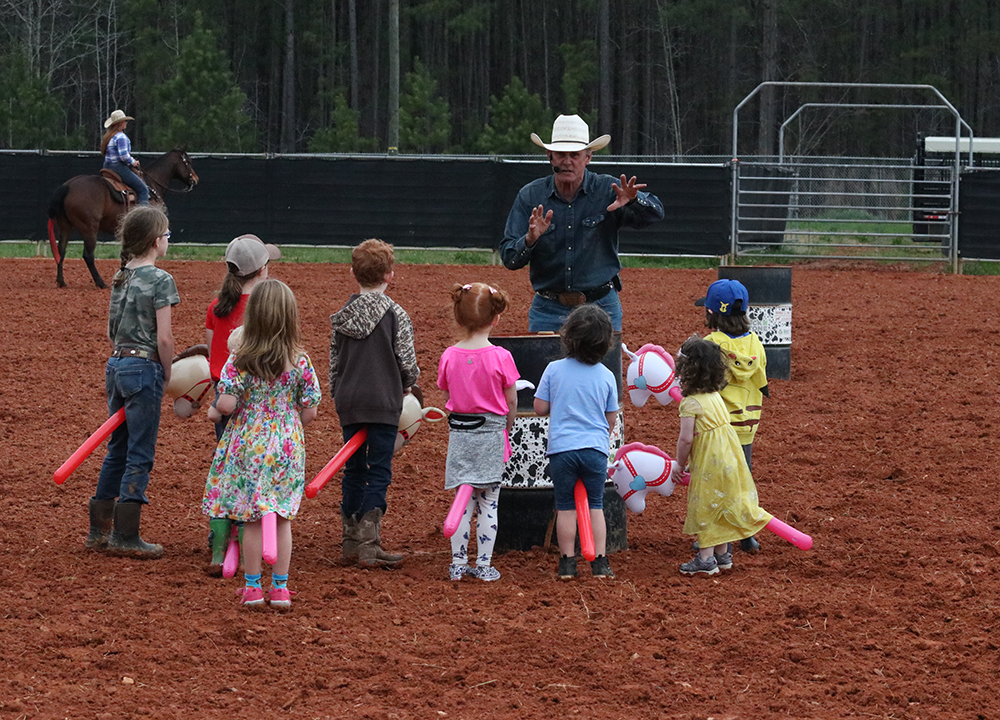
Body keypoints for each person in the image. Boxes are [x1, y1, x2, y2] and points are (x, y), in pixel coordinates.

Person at [203, 279, 321, 609]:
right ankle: (280, 588)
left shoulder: (239, 360)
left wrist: (219, 408)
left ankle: (253, 587)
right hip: (286, 444)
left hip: (247, 443)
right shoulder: (301, 361)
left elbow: (225, 405)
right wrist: (288, 421)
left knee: (252, 518)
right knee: (281, 517)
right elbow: (310, 410)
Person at [499, 114, 665, 332]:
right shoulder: (530, 196)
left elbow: (656, 214)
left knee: (604, 366)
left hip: (601, 306)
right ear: (550, 156)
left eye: (574, 155)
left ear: (588, 157)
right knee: (544, 366)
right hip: (548, 308)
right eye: (561, 154)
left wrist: (634, 200)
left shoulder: (609, 190)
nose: (567, 161)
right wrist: (529, 240)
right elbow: (510, 258)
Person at [86, 206, 177, 559]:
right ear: (157, 241)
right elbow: (165, 338)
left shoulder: (121, 275)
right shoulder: (160, 280)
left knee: (117, 449)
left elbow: (112, 329)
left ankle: (99, 529)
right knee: (140, 451)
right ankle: (126, 534)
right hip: (144, 367)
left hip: (117, 365)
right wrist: (167, 371)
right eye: (168, 234)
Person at [329, 238, 420, 568]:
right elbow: (406, 360)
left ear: (353, 273)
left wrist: (336, 392)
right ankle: (370, 543)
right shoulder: (396, 314)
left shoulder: (342, 316)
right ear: (390, 275)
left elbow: (335, 361)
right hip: (383, 401)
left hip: (350, 401)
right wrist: (409, 384)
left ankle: (350, 541)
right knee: (378, 468)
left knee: (352, 470)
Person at [202, 234, 281, 575]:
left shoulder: (217, 305)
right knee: (258, 472)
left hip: (225, 395)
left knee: (227, 470)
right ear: (264, 269)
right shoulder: (265, 308)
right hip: (259, 399)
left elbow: (212, 353)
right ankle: (253, 532)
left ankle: (221, 544)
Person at [437, 282, 520, 582]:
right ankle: (483, 565)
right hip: (491, 433)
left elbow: (444, 386)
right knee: (489, 502)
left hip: (460, 434)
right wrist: (508, 423)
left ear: (459, 318)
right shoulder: (501, 357)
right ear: (495, 318)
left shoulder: (449, 354)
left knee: (462, 499)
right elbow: (511, 398)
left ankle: (458, 563)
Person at [669, 337, 772, 577]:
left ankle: (706, 560)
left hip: (709, 462)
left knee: (706, 505)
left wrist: (679, 464)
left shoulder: (690, 403)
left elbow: (686, 439)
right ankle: (723, 554)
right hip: (730, 459)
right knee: (722, 503)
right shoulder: (716, 396)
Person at [533, 304, 619, 580]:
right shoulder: (606, 375)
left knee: (566, 505)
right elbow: (611, 418)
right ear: (606, 343)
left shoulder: (554, 369)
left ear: (568, 337)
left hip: (562, 450)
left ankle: (567, 563)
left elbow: (539, 407)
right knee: (595, 505)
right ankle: (601, 562)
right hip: (594, 449)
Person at [696, 278, 769, 554]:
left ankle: (715, 535)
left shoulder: (710, 344)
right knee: (743, 478)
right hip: (747, 424)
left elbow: (703, 383)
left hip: (719, 426)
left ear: (712, 313)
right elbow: (761, 378)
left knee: (716, 480)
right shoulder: (755, 343)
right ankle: (747, 534)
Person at [101, 110, 150, 206]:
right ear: (120, 123)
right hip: (118, 167)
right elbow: (124, 156)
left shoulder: (109, 136)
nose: (126, 123)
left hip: (107, 166)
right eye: (125, 121)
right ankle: (143, 216)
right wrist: (133, 162)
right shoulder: (121, 137)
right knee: (143, 189)